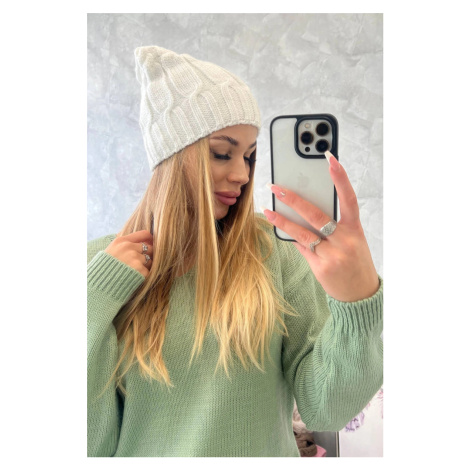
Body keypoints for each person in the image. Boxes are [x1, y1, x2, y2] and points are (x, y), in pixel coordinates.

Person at [87, 45, 383, 457]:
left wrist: (357, 300)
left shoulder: (274, 254)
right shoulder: (102, 269)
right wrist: (92, 300)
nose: (243, 174)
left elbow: (327, 410)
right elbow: (91, 444)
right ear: (171, 156)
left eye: (249, 155)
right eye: (222, 153)